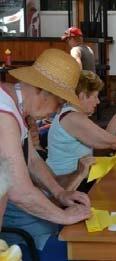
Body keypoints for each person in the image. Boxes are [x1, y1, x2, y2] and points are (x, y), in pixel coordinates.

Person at [0, 49, 91, 250]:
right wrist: (64, 215)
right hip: (11, 221)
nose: (58, 111)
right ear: (42, 89)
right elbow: (20, 192)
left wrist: (59, 193)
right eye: (59, 103)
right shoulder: (4, 112)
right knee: (65, 242)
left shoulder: (15, 106)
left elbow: (32, 160)